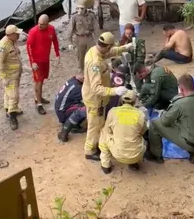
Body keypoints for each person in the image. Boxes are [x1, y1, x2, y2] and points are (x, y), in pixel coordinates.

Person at [83, 32, 134, 161]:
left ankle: (96, 144)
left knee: (97, 123)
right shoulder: (95, 63)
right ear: (107, 46)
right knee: (95, 125)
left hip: (95, 96)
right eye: (110, 47)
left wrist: (126, 47)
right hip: (96, 100)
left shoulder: (95, 50)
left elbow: (111, 52)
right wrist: (115, 91)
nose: (110, 50)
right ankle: (89, 150)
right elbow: (96, 88)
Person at [146, 74, 194, 164]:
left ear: (181, 89)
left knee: (155, 123)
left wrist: (166, 111)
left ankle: (155, 155)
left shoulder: (179, 104)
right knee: (188, 123)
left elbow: (165, 122)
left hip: (191, 143)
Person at [99, 90, 147, 174]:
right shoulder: (140, 114)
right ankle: (133, 163)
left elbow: (107, 130)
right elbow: (143, 131)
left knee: (104, 133)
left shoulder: (113, 111)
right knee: (137, 137)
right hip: (136, 154)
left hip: (118, 154)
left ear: (121, 100)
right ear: (135, 101)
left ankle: (105, 165)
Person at [27, 14, 60, 115]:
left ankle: (39, 97)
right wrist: (32, 62)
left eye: (42, 24)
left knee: (43, 79)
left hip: (46, 60)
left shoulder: (51, 29)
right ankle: (39, 104)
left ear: (47, 24)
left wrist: (57, 54)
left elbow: (55, 41)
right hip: (37, 62)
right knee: (39, 81)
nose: (39, 26)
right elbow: (28, 47)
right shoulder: (33, 32)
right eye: (39, 24)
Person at [0, 25, 24, 130]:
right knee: (14, 96)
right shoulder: (2, 46)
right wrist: (4, 78)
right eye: (16, 34)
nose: (18, 35)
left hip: (16, 73)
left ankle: (8, 109)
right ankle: (12, 116)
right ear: (11, 35)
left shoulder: (13, 41)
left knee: (9, 93)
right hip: (9, 75)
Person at [67, 0, 99, 72]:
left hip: (89, 37)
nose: (80, 10)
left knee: (93, 54)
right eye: (78, 8)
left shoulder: (91, 15)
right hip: (79, 38)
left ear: (85, 8)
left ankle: (93, 70)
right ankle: (82, 71)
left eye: (82, 8)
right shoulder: (75, 17)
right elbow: (70, 30)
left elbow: (96, 28)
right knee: (80, 56)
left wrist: (98, 40)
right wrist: (70, 42)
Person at [56, 74, 87, 143]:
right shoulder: (77, 88)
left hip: (60, 109)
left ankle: (67, 128)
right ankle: (73, 127)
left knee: (80, 106)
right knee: (83, 109)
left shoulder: (72, 80)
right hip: (63, 113)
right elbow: (86, 99)